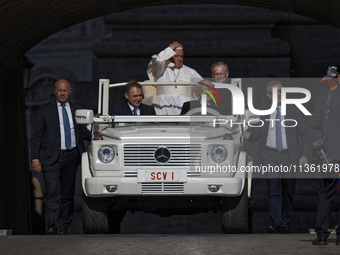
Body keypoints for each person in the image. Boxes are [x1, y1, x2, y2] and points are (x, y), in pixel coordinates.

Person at [243, 80, 310, 234]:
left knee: (288, 191)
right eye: (275, 92)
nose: (279, 95)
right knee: (273, 188)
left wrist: (305, 155)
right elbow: (256, 132)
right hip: (269, 155)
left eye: (281, 91)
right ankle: (276, 223)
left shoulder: (295, 111)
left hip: (289, 156)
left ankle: (285, 222)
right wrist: (249, 134)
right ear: (268, 95)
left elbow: (305, 135)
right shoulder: (262, 111)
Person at [31, 79, 91, 235]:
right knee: (52, 192)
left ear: (69, 91)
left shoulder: (77, 110)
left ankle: (64, 227)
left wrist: (95, 135)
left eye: (65, 90)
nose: (62, 93)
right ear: (55, 91)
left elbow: (83, 133)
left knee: (67, 194)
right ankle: (51, 226)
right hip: (50, 158)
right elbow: (36, 136)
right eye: (59, 90)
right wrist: (35, 158)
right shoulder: (45, 110)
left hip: (71, 156)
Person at [311, 66, 340, 246]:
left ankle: (322, 235)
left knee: (325, 194)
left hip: (328, 153)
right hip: (331, 154)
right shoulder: (325, 97)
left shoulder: (324, 97)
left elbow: (314, 124)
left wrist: (318, 146)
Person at [147, 41, 202, 115]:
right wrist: (172, 47)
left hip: (187, 113)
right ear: (170, 56)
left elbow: (205, 88)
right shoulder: (161, 69)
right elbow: (159, 60)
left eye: (181, 56)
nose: (179, 59)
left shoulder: (190, 71)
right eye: (176, 56)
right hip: (166, 110)